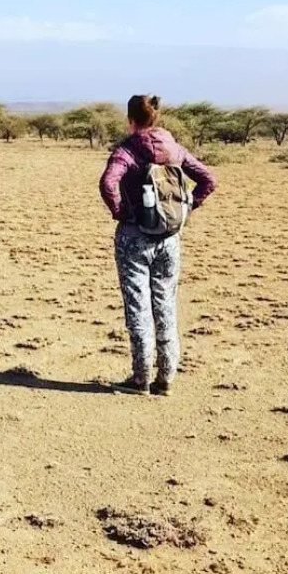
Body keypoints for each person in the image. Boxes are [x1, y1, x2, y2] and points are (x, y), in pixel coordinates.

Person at [99, 94, 216, 396]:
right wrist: (187, 208)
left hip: (134, 239)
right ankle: (166, 377)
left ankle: (141, 379)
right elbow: (208, 180)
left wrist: (122, 213)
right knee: (165, 304)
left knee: (138, 307)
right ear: (155, 117)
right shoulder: (174, 148)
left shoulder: (127, 150)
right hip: (169, 238)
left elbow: (108, 183)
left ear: (130, 120)